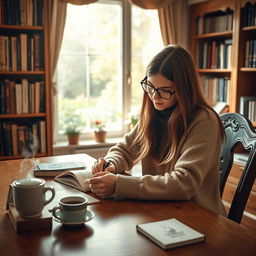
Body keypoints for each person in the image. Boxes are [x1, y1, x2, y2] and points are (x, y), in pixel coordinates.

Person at [88, 44, 227, 216]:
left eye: (165, 90)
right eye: (151, 86)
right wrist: (111, 164)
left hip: (199, 216)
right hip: (160, 210)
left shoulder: (205, 121)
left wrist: (118, 184)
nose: (154, 96)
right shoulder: (154, 114)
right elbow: (125, 150)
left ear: (184, 89)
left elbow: (183, 183)